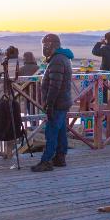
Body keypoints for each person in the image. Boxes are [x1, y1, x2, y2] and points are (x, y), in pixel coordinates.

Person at [31, 33, 74, 172]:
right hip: (62, 101)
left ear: (51, 45)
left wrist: (49, 104)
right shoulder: (62, 58)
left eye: (45, 45)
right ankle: (60, 157)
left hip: (57, 102)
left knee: (52, 132)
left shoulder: (57, 60)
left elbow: (55, 85)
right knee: (60, 131)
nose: (44, 48)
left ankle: (46, 160)